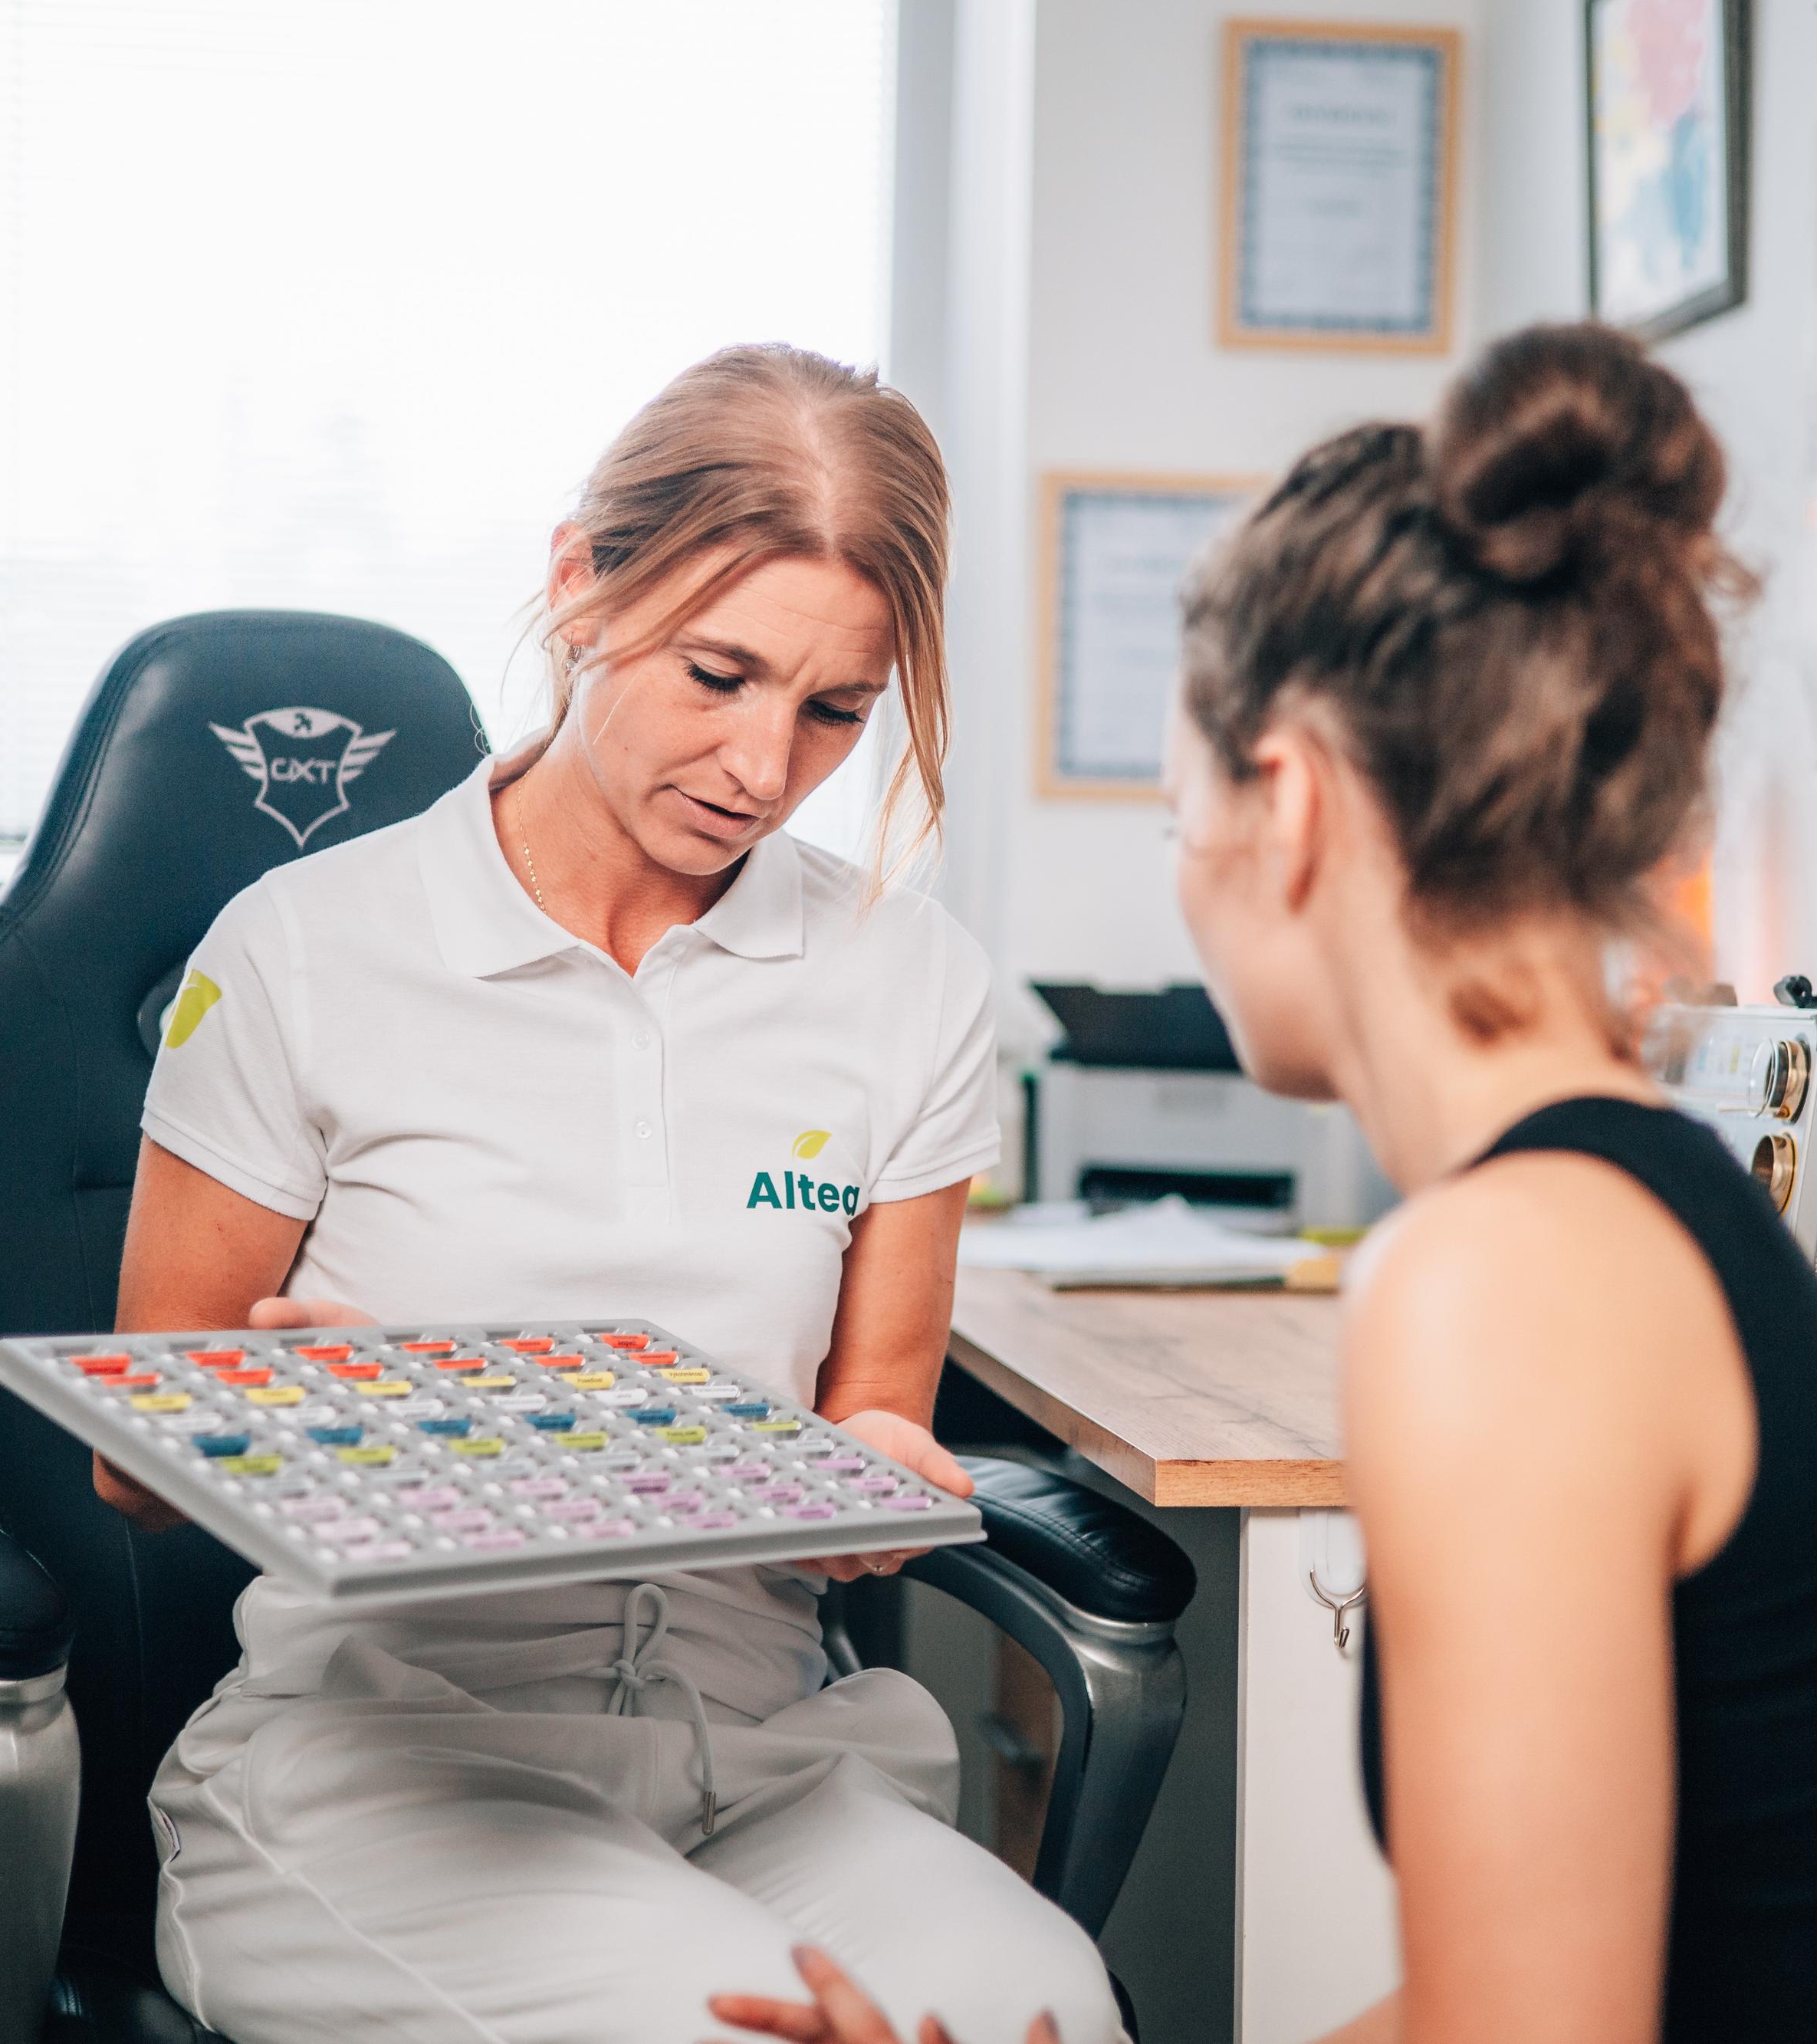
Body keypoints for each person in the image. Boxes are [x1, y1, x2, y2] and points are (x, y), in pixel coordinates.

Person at [721, 325, 1817, 2044]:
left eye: (1172, 817)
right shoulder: (1640, 1197)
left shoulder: (1491, 1280)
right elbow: (1498, 1997)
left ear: (1284, 802)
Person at [106, 343, 1112, 2044]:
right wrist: (329, 1422)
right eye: (715, 672)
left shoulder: (906, 983)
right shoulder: (305, 951)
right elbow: (121, 1468)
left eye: (830, 712)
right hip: (394, 1759)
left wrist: (877, 1466)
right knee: (703, 2022)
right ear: (581, 584)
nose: (759, 763)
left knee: (1044, 2006)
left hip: (769, 1765)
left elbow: (874, 1402)